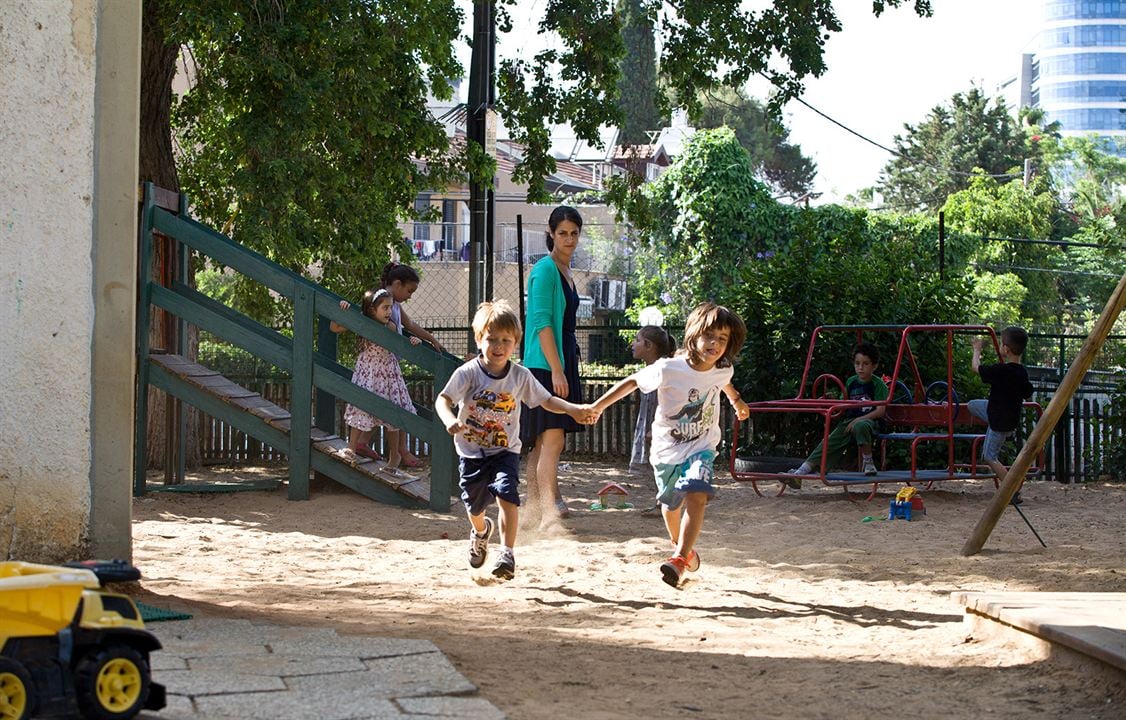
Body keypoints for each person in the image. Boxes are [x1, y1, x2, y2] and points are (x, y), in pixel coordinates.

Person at [591, 302, 750, 588]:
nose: (714, 343)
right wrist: (598, 406)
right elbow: (631, 383)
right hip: (666, 451)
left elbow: (726, 384)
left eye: (722, 339)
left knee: (697, 493)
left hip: (701, 447)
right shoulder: (668, 368)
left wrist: (737, 402)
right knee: (670, 504)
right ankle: (682, 547)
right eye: (709, 335)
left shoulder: (722, 369)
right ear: (694, 335)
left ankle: (678, 557)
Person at [435, 300, 597, 579]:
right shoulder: (468, 373)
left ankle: (507, 553)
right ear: (479, 339)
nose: (498, 346)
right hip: (472, 451)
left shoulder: (521, 376)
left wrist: (572, 408)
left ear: (516, 343)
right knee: (474, 506)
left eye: (506, 340)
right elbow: (443, 399)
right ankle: (481, 530)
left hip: (505, 450)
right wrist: (450, 419)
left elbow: (546, 400)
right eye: (491, 339)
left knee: (507, 496)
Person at [521, 206, 586, 521]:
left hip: (559, 362)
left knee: (545, 440)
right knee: (553, 437)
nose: (569, 239)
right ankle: (547, 511)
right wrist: (557, 369)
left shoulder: (565, 270)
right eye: (563, 233)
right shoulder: (546, 269)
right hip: (546, 365)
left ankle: (538, 507)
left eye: (574, 233)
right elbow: (542, 322)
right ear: (551, 234)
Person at [330, 288, 420, 473]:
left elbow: (398, 344)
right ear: (372, 310)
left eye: (390, 308)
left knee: (392, 412)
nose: (389, 312)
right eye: (385, 308)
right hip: (367, 372)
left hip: (387, 373)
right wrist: (343, 310)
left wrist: (413, 342)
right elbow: (334, 327)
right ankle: (352, 447)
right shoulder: (361, 322)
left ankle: (394, 454)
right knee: (361, 404)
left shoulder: (390, 327)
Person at [787, 342, 888, 486]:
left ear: (874, 366)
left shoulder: (878, 385)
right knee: (829, 441)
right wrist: (831, 400)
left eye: (865, 364)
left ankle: (868, 462)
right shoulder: (851, 382)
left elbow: (880, 411)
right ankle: (800, 472)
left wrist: (858, 420)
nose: (860, 367)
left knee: (860, 425)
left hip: (871, 422)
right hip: (849, 421)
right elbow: (843, 404)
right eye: (857, 363)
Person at [381, 262, 446, 467]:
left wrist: (430, 339)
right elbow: (380, 323)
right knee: (392, 406)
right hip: (382, 363)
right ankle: (395, 451)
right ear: (397, 284)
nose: (410, 296)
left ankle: (399, 451)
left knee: (400, 405)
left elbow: (409, 325)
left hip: (391, 362)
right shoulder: (384, 302)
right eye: (409, 290)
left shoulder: (395, 305)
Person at [970, 327, 1034, 504]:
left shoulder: (1000, 371)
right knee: (971, 405)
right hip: (1006, 417)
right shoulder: (1021, 372)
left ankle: (1011, 490)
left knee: (989, 456)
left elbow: (976, 368)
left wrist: (976, 349)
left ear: (1006, 349)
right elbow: (1028, 394)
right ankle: (1012, 485)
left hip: (999, 422)